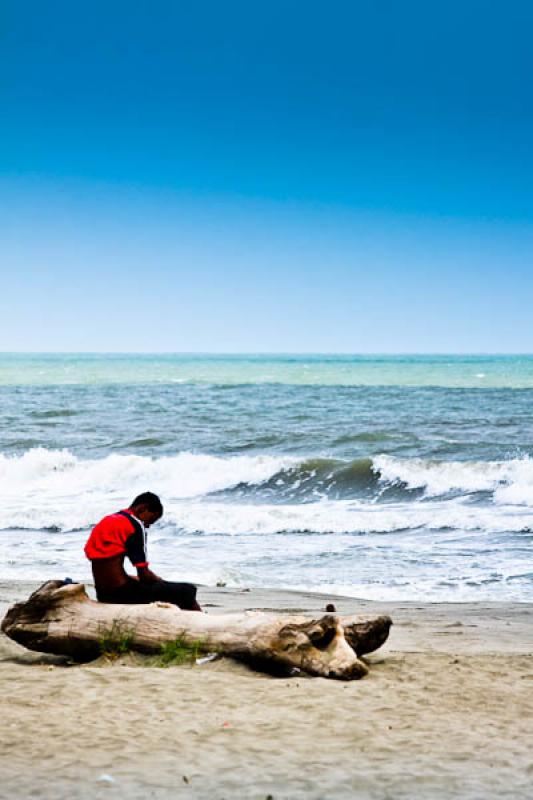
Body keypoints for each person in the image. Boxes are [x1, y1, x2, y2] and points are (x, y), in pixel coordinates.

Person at [84, 491, 201, 611]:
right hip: (121, 594)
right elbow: (144, 575)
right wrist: (160, 580)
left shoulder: (107, 521)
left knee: (149, 585)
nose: (147, 526)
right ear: (142, 509)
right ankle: (202, 622)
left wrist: (129, 578)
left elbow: (105, 566)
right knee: (186, 590)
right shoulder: (134, 525)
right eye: (150, 520)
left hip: (103, 593)